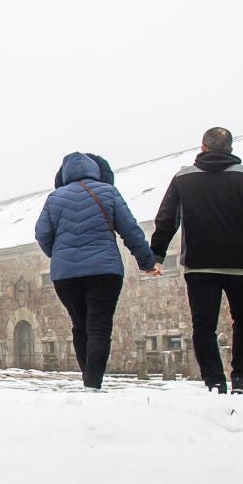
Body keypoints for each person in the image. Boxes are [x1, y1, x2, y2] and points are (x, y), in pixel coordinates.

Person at [149, 127, 243, 393]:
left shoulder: (183, 178)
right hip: (241, 264)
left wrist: (156, 256)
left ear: (202, 148)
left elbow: (167, 219)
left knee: (204, 326)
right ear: (231, 149)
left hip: (199, 264)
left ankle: (214, 381)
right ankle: (241, 380)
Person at [34, 151, 160, 388]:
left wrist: (59, 254)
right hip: (105, 272)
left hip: (66, 276)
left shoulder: (55, 199)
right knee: (99, 327)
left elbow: (42, 233)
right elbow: (130, 230)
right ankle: (94, 382)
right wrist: (147, 262)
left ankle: (88, 380)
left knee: (80, 326)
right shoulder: (108, 192)